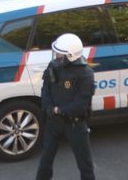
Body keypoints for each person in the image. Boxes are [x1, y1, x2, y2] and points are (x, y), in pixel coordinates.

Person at [36, 33, 95, 180]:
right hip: (53, 121)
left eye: (60, 53)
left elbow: (81, 105)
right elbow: (46, 90)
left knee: (85, 164)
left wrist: (59, 110)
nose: (56, 55)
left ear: (70, 56)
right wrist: (49, 108)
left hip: (74, 123)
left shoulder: (86, 74)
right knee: (45, 160)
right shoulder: (54, 66)